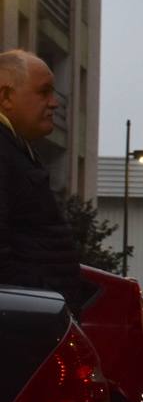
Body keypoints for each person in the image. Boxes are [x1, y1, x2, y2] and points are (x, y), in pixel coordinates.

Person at [0, 49, 83, 307]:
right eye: (44, 91)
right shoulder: (5, 153)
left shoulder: (14, 149)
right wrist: (43, 299)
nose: (54, 103)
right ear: (6, 96)